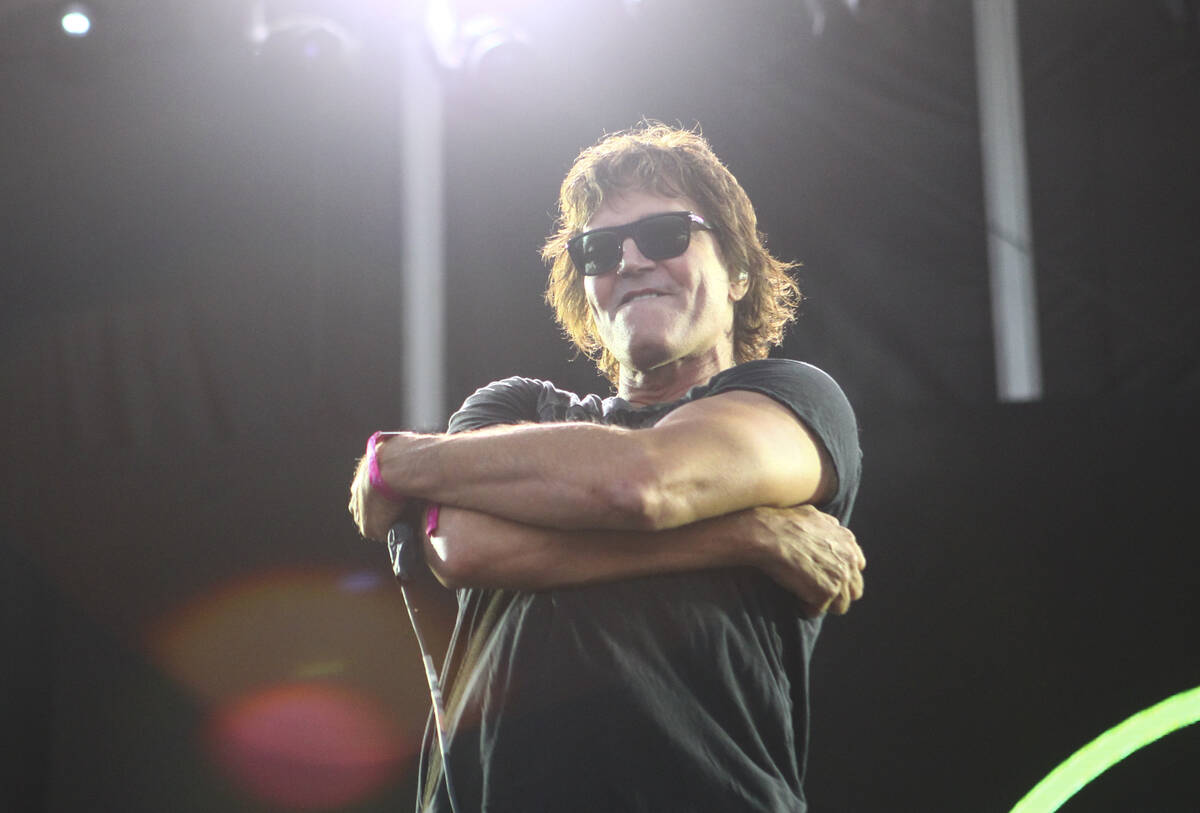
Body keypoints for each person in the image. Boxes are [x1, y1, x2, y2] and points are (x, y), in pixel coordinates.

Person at [348, 123, 865, 813]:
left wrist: (401, 461)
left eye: (664, 236)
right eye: (598, 249)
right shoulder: (510, 407)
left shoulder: (794, 400)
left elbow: (647, 482)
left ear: (738, 269)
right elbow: (466, 548)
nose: (629, 261)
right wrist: (743, 536)